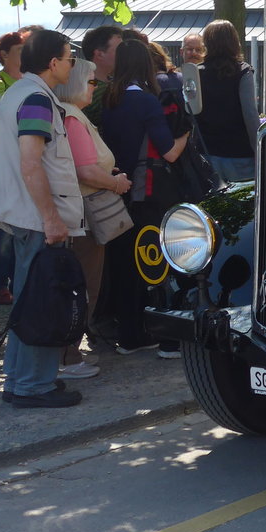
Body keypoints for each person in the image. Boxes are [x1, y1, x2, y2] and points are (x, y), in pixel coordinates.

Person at [0, 30, 85, 407]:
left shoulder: (20, 94)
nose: (72, 64)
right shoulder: (36, 99)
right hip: (34, 217)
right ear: (53, 62)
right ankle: (31, 385)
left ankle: (21, 380)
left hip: (22, 214)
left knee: (30, 299)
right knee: (42, 300)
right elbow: (31, 164)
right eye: (69, 57)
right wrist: (51, 219)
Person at [99, 39, 189, 356]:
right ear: (146, 66)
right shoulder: (147, 102)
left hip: (115, 191)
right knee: (156, 264)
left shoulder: (109, 99)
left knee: (124, 263)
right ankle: (165, 338)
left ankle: (130, 334)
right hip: (148, 192)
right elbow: (170, 152)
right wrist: (187, 130)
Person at [53, 58, 132, 378]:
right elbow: (84, 170)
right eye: (90, 82)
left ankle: (67, 353)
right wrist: (116, 183)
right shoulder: (72, 118)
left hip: (82, 209)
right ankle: (67, 358)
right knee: (84, 285)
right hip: (86, 212)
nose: (94, 87)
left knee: (84, 284)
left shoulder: (70, 115)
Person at [0, 31, 24, 305]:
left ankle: (16, 279)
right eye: (21, 52)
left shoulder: (31, 82)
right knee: (2, 226)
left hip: (27, 165)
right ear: (4, 56)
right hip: (1, 167)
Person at [196, 19, 259, 181]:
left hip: (206, 152)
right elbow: (250, 115)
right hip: (239, 153)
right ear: (233, 42)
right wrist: (260, 149)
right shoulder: (243, 72)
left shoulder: (197, 73)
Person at [80, 24, 124, 125]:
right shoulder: (85, 89)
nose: (124, 54)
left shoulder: (114, 83)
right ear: (99, 54)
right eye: (119, 50)